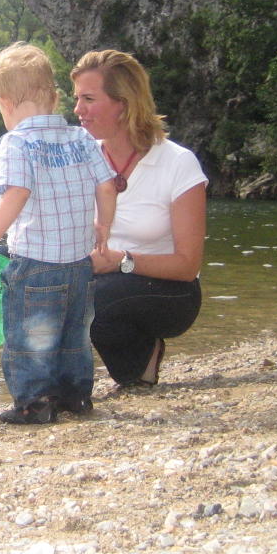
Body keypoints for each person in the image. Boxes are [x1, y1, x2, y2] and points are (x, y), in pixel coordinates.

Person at [0, 43, 117, 424]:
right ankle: (76, 397)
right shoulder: (81, 139)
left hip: (36, 263)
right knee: (75, 333)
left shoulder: (16, 143)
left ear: (4, 102)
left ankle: (35, 403)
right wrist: (103, 226)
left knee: (31, 337)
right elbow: (108, 187)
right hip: (79, 263)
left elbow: (17, 193)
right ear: (55, 97)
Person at [70, 49, 208, 389]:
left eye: (88, 99)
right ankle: (50, 390)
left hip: (172, 293)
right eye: (76, 99)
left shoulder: (178, 163)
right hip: (100, 279)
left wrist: (121, 261)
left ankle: (143, 358)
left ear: (124, 103)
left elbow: (187, 265)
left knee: (94, 299)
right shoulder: (78, 159)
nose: (78, 110)